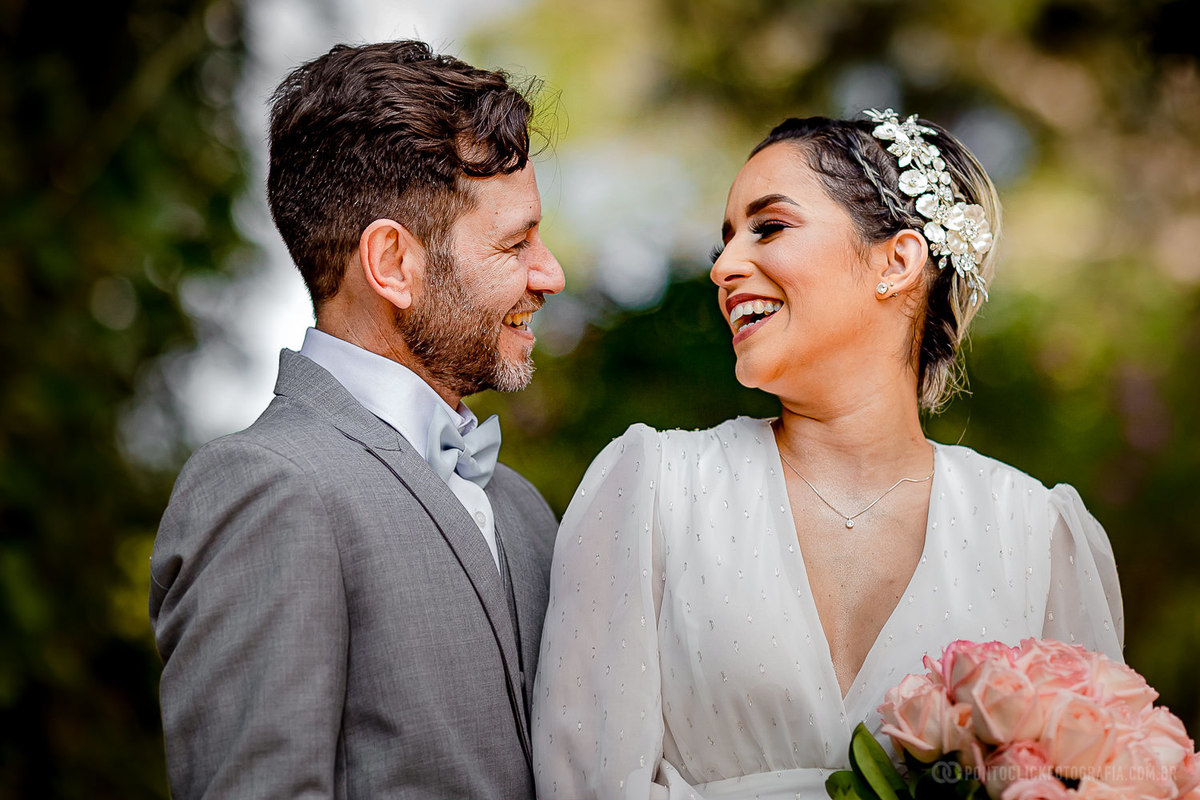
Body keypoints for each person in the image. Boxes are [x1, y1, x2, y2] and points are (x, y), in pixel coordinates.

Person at [531, 110, 1123, 799]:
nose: (723, 268)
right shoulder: (653, 490)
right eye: (723, 243)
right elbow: (583, 782)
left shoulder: (1036, 532)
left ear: (897, 262)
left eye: (770, 227)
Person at [149, 40, 565, 799]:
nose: (551, 274)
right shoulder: (267, 488)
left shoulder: (527, 512)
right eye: (516, 243)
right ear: (393, 265)